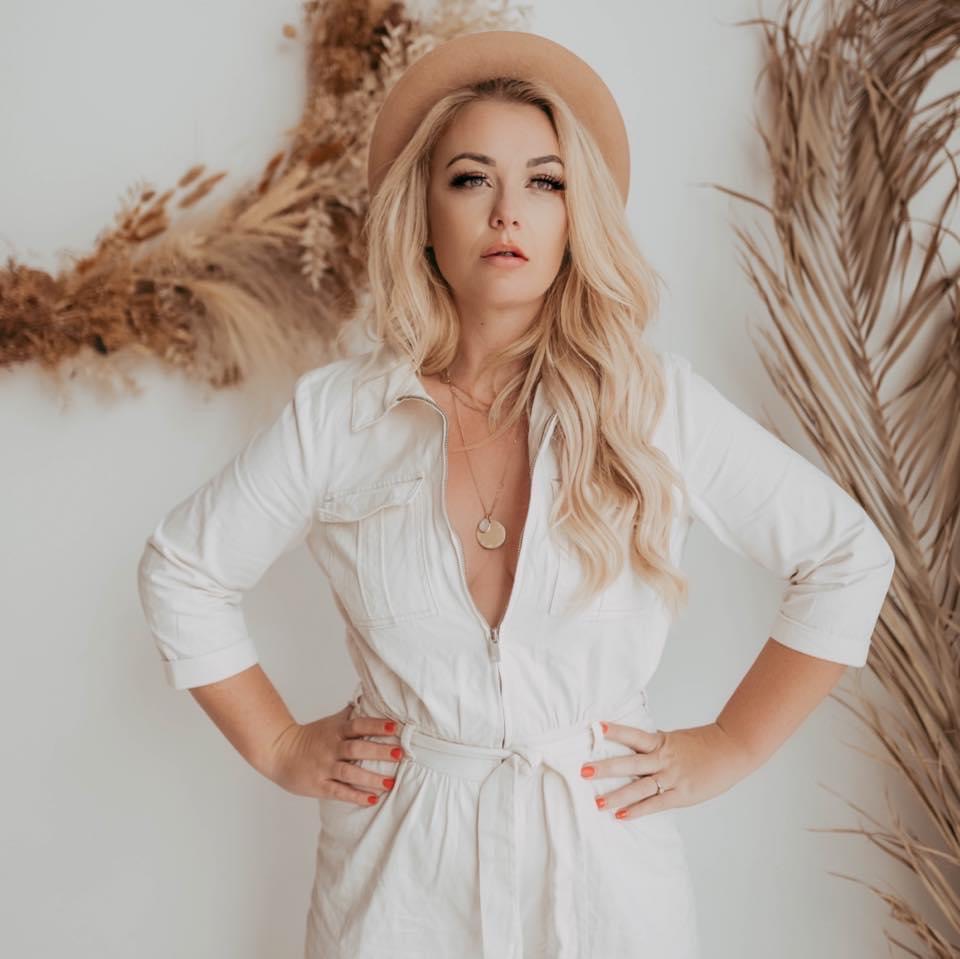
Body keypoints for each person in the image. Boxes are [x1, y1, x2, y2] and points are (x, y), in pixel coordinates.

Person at [136, 30, 897, 959]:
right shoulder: (339, 415)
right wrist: (279, 745)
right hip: (397, 887)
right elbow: (183, 568)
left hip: (606, 881)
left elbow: (845, 557)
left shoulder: (652, 404)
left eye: (545, 182)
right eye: (470, 180)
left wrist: (732, 744)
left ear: (578, 217)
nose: (508, 212)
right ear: (422, 214)